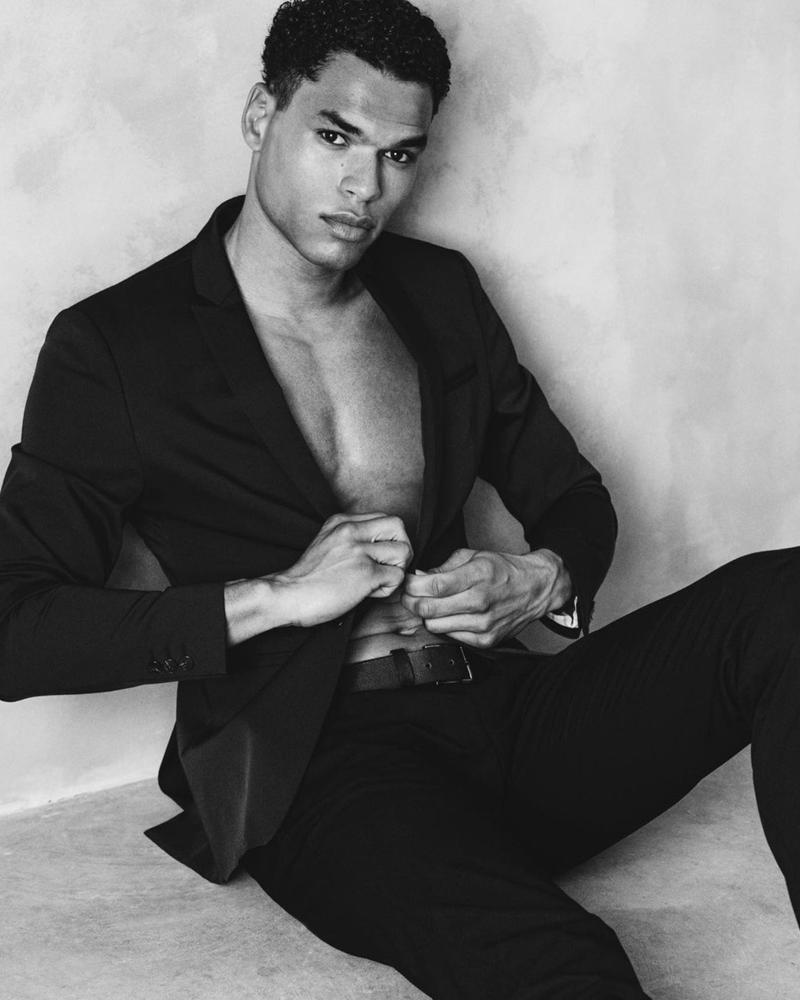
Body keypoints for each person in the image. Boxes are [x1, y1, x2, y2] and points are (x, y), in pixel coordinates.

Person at [1, 1, 798, 997]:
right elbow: (15, 627)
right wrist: (278, 597)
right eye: (335, 137)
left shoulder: (439, 292)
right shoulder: (116, 347)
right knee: (563, 966)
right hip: (321, 765)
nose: (364, 186)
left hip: (502, 711)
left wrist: (540, 577)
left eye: (398, 154)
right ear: (261, 114)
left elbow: (568, 492)